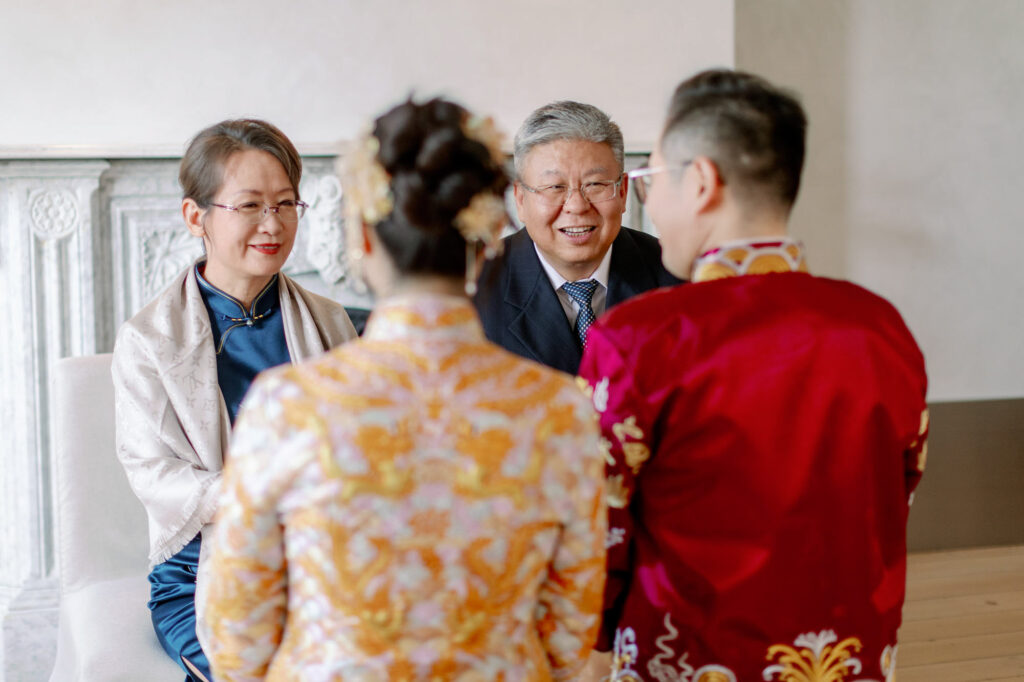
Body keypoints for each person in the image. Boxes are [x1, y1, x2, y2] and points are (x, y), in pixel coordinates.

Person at [197, 98, 607, 680]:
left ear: (363, 240)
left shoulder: (286, 405)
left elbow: (236, 638)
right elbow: (569, 638)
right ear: (491, 237)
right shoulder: (560, 410)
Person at [578, 69, 929, 681]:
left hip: (691, 655)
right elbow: (895, 496)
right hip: (847, 653)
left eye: (650, 178)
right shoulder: (881, 327)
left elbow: (597, 523)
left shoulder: (640, 337)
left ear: (701, 183)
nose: (647, 202)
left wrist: (592, 636)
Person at [112, 118, 358, 682]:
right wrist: (264, 495)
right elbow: (152, 472)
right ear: (194, 216)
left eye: (286, 203)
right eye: (249, 205)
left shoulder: (330, 322)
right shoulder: (149, 339)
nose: (273, 224)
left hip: (320, 564)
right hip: (202, 574)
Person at [474, 101, 679, 375]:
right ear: (520, 199)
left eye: (595, 185)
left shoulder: (676, 276)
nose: (577, 206)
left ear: (622, 193)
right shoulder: (477, 286)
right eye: (555, 187)